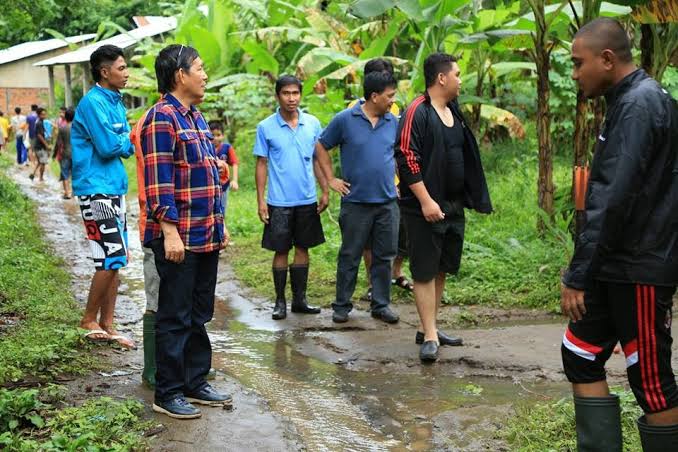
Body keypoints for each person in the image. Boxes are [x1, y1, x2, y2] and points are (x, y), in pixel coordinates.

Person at [560, 18, 678, 451]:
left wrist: (577, 274)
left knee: (650, 380)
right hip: (614, 263)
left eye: (578, 64)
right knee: (579, 354)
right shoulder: (627, 100)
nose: (574, 74)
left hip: (639, 265)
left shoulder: (642, 105)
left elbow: (611, 198)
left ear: (607, 59)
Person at [142, 44, 231, 419]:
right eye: (200, 67)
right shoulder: (162, 118)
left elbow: (208, 176)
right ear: (180, 75)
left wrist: (219, 225)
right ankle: (168, 391)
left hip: (205, 233)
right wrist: (170, 231)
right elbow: (158, 181)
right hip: (178, 237)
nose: (205, 74)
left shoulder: (194, 117)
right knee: (175, 315)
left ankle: (195, 382)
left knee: (198, 312)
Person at [394, 53, 492, 362]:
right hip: (423, 206)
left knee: (440, 268)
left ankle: (429, 328)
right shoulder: (417, 112)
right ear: (441, 78)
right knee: (423, 271)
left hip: (452, 205)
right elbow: (406, 158)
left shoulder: (453, 111)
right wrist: (425, 201)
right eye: (458, 74)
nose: (461, 80)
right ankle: (430, 336)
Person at [316, 70, 400, 324]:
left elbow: (399, 153)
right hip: (356, 203)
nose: (392, 101)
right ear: (374, 96)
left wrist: (399, 181)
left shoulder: (393, 121)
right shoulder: (345, 119)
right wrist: (331, 179)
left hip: (387, 202)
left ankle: (381, 304)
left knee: (385, 256)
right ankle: (342, 305)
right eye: (389, 96)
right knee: (350, 254)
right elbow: (321, 146)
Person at [71, 44, 136, 349]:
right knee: (110, 257)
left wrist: (124, 139)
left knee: (117, 259)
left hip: (114, 187)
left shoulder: (115, 102)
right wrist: (129, 137)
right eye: (122, 68)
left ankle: (108, 324)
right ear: (104, 71)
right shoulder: (93, 103)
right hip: (95, 188)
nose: (126, 73)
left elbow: (120, 141)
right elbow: (111, 147)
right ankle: (88, 319)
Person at [254, 75, 329, 320]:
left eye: (295, 93)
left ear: (300, 94)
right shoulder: (266, 127)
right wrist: (261, 200)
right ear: (278, 96)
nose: (291, 98)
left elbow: (317, 159)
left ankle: (300, 300)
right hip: (279, 201)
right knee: (281, 250)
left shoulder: (312, 124)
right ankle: (280, 302)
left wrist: (325, 189)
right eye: (286, 93)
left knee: (303, 248)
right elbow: (262, 164)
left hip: (306, 198)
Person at [346, 59, 414, 302]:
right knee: (367, 241)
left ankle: (395, 273)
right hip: (364, 189)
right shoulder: (353, 111)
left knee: (398, 235)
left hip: (395, 184)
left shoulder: (397, 109)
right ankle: (373, 282)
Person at [130, 108, 159, 389]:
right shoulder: (154, 119)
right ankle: (152, 368)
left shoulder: (188, 115)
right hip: (155, 223)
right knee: (156, 298)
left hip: (181, 224)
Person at [208, 120, 239, 236]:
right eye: (212, 135)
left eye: (218, 135)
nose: (215, 138)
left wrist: (235, 180)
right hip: (209, 187)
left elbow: (234, 163)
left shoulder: (227, 148)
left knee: (221, 209)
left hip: (223, 187)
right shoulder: (204, 147)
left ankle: (221, 234)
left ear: (223, 135)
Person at [53, 107, 74, 199]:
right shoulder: (78, 129)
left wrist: (54, 154)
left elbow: (58, 143)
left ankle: (67, 193)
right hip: (76, 154)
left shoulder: (62, 128)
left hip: (65, 154)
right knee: (75, 174)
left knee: (65, 174)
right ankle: (73, 193)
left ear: (65, 117)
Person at [29, 108, 49, 182]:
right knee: (43, 162)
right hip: (40, 146)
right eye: (43, 114)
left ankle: (32, 174)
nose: (44, 115)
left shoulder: (40, 122)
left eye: (45, 114)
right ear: (39, 115)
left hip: (38, 145)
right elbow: (39, 135)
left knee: (40, 162)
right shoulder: (39, 123)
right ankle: (41, 178)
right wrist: (46, 145)